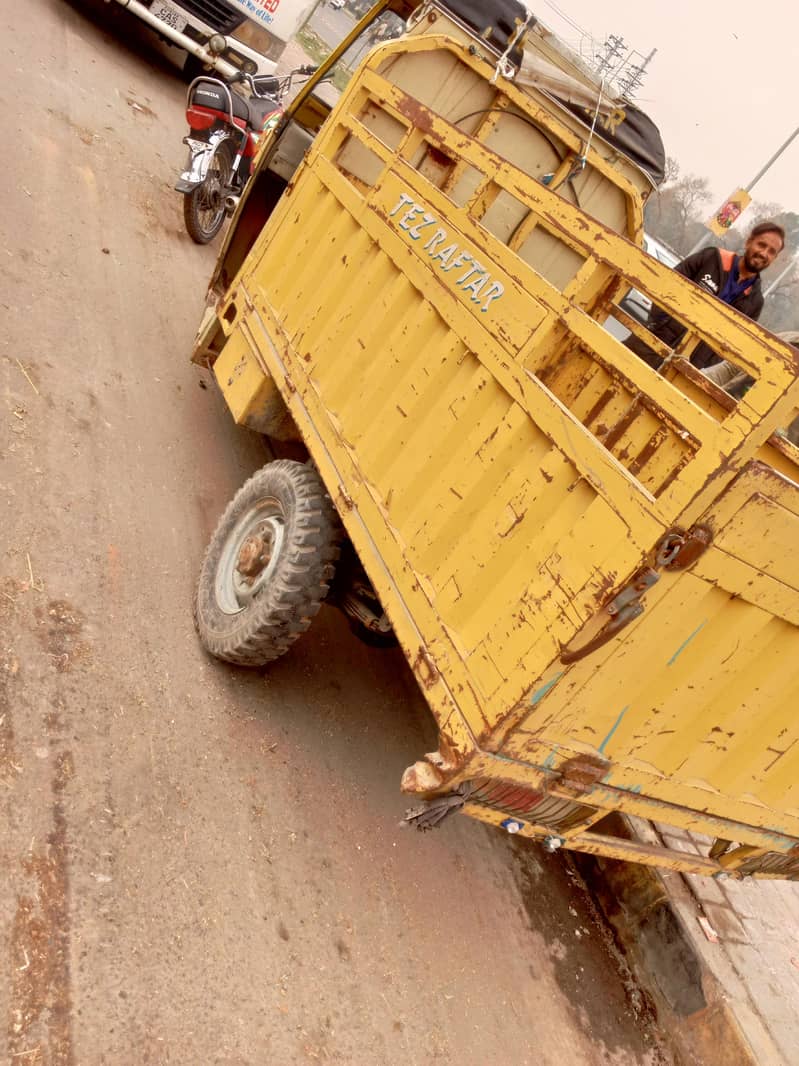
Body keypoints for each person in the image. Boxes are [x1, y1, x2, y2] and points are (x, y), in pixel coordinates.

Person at [626, 221, 785, 370]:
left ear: (774, 258)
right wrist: (658, 324)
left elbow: (732, 347)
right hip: (647, 344)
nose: (764, 253)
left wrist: (700, 362)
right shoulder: (711, 258)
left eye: (772, 252)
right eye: (761, 244)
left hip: (683, 369)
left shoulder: (755, 302)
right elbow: (668, 285)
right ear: (749, 242)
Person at [703, 330, 799, 446]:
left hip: (766, 447)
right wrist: (689, 378)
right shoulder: (787, 340)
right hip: (725, 414)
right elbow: (729, 368)